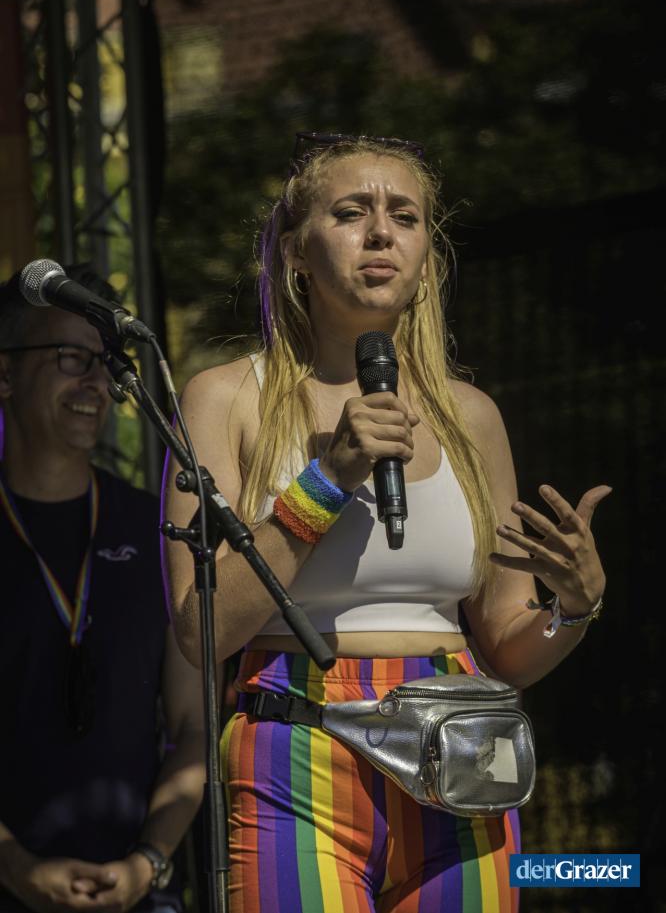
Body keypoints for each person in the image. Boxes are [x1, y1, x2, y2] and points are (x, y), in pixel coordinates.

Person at [163, 134, 611, 913]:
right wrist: (326, 480)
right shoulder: (226, 397)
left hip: (461, 744)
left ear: (427, 259)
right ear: (295, 251)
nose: (380, 232)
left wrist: (573, 605)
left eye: (404, 216)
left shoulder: (471, 416)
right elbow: (202, 626)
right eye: (350, 212)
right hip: (297, 736)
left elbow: (507, 642)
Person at [0, 266, 206, 913]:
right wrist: (18, 868)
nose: (96, 382)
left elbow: (194, 726)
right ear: (5, 373)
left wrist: (148, 861)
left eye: (107, 363)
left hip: (139, 888)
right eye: (71, 357)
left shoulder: (156, 527)